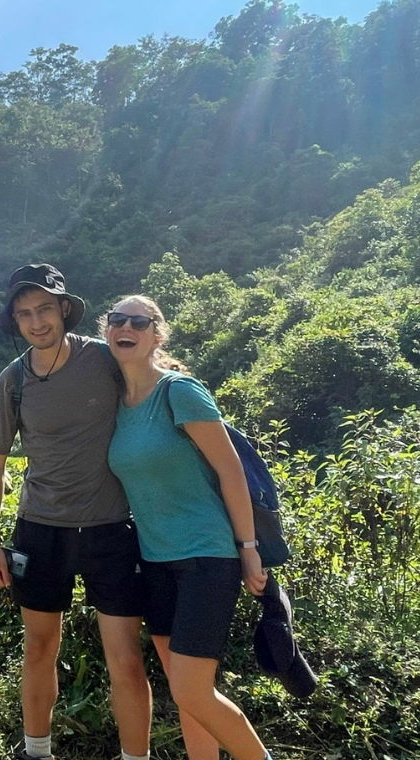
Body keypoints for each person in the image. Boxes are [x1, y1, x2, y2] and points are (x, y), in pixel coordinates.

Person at [0, 264, 151, 760]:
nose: (36, 322)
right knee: (38, 649)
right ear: (15, 321)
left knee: (126, 659)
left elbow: (155, 380)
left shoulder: (103, 359)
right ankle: (36, 752)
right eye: (25, 314)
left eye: (45, 310)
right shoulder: (12, 381)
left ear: (64, 310)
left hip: (111, 531)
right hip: (41, 532)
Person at [102, 294, 272, 760]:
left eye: (141, 321)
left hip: (206, 557)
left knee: (194, 692)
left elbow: (230, 471)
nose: (127, 327)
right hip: (155, 562)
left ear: (158, 334)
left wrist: (249, 547)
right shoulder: (117, 404)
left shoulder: (180, 391)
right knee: (185, 691)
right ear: (107, 330)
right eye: (118, 319)